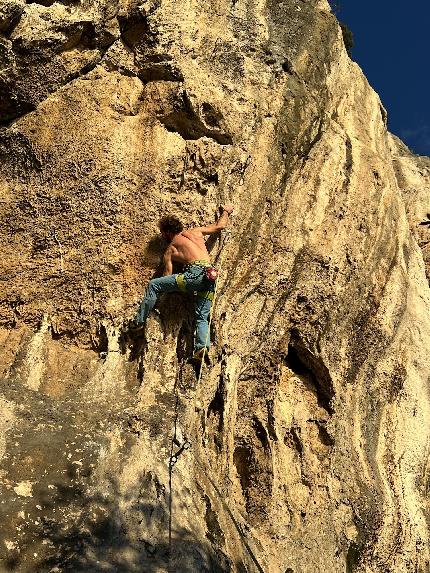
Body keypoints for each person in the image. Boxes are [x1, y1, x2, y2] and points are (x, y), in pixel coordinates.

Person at [127, 205, 234, 362]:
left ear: (167, 232)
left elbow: (167, 277)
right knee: (202, 316)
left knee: (154, 285)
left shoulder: (171, 248)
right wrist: (226, 211)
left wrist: (161, 301)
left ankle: (138, 321)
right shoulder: (195, 232)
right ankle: (201, 348)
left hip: (194, 274)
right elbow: (220, 226)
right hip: (210, 276)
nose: (162, 236)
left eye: (162, 233)